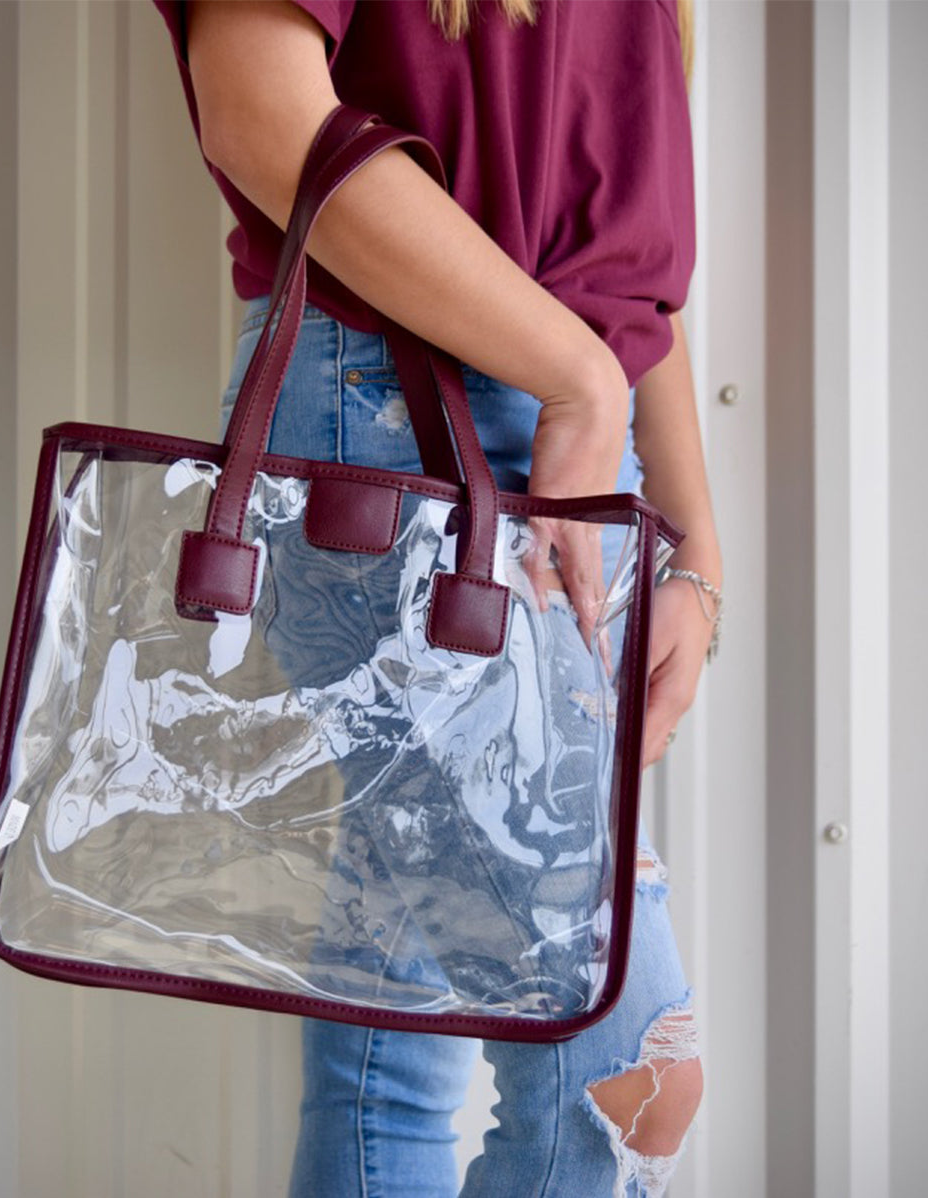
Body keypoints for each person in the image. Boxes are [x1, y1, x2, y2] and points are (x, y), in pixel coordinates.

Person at [153, 2, 721, 1194]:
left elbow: (617, 274)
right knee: (633, 1073)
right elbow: (258, 106)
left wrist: (693, 548)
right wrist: (573, 381)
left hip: (572, 458)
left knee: (394, 1035)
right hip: (396, 418)